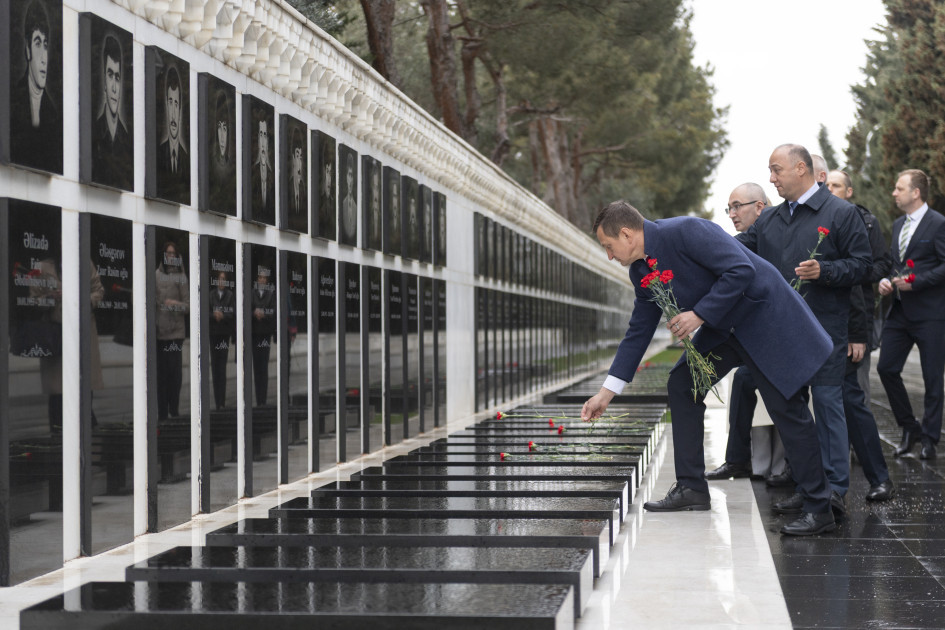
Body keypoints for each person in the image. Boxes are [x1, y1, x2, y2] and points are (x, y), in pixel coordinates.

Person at [582, 200, 836, 536]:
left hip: (762, 320)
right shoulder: (641, 270)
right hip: (724, 330)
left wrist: (699, 314)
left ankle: (819, 507)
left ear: (627, 234)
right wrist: (606, 391)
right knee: (683, 383)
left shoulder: (687, 230)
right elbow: (639, 329)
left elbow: (741, 269)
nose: (609, 255)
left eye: (609, 247)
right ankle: (691, 488)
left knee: (786, 408)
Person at [737, 144, 871, 518]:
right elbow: (735, 251)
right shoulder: (770, 219)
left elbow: (864, 267)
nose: (771, 178)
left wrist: (825, 272)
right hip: (780, 332)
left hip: (825, 332)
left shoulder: (842, 214)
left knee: (829, 411)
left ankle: (833, 493)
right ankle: (808, 487)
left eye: (776, 170)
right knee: (791, 413)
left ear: (801, 168)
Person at [705, 183, 788, 483]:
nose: (732, 213)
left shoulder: (780, 236)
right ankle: (738, 460)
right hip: (759, 334)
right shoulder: (746, 241)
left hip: (789, 333)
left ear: (760, 207)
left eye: (737, 206)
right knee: (741, 380)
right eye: (728, 208)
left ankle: (790, 466)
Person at [824, 169, 895, 501]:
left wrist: (857, 334)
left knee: (853, 401)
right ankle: (815, 482)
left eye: (836, 185)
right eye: (827, 185)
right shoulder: (818, 220)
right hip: (818, 328)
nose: (830, 190)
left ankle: (879, 477)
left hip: (849, 326)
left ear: (849, 191)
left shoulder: (861, 222)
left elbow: (860, 282)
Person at [877, 169, 945, 459]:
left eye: (899, 188)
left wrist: (917, 281)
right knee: (886, 368)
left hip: (931, 314)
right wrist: (887, 280)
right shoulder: (897, 225)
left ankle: (930, 439)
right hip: (900, 312)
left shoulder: (939, 224)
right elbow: (897, 265)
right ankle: (909, 427)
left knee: (932, 379)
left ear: (916, 193)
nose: (894, 193)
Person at [11, 0, 62, 172]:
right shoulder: (12, 102)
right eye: (38, 43)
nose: (43, 58)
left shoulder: (54, 114)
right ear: (27, 49)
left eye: (46, 45)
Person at [91, 34, 132, 190]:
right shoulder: (94, 131)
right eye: (110, 76)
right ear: (104, 80)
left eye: (117, 77)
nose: (114, 87)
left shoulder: (127, 138)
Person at [155, 242, 189, 419]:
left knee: (174, 374)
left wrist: (175, 305)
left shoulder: (181, 277)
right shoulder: (156, 275)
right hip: (160, 333)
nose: (170, 256)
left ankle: (173, 409)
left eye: (173, 254)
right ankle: (161, 412)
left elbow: (188, 306)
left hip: (176, 333)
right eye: (167, 253)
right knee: (161, 376)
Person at [156, 65, 189, 201]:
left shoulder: (185, 157)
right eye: (170, 103)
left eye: (176, 104)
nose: (174, 113)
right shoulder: (158, 151)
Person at [209, 270, 235, 410]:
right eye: (220, 279)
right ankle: (217, 400)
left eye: (224, 279)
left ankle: (222, 402)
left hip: (224, 334)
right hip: (214, 334)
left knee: (222, 367)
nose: (222, 282)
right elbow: (206, 312)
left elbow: (232, 313)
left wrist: (222, 315)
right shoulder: (211, 295)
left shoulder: (230, 295)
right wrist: (214, 316)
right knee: (215, 367)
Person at [252, 267, 276, 406]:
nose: (261, 280)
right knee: (256, 367)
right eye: (259, 277)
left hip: (265, 334)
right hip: (255, 333)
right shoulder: (252, 293)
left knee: (264, 367)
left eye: (264, 278)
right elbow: (247, 309)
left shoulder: (270, 295)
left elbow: (273, 312)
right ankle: (258, 398)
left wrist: (264, 314)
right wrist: (255, 313)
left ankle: (263, 400)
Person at [252, 117, 275, 223]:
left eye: (265, 135)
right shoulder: (253, 172)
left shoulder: (273, 176)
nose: (262, 142)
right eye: (260, 135)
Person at [341, 151, 357, 243]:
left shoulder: (355, 206)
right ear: (346, 177)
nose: (350, 180)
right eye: (349, 175)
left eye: (352, 176)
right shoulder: (343, 204)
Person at [289, 127, 305, 215]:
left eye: (301, 158)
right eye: (297, 156)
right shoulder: (289, 187)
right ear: (293, 158)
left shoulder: (303, 189)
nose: (299, 162)